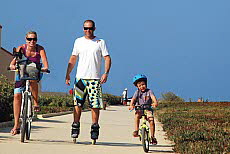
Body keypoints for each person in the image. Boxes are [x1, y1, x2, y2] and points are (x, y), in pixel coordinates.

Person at [65, 20, 111, 140]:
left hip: (94, 79)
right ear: (83, 29)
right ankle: (75, 126)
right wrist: (68, 73)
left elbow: (107, 58)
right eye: (86, 28)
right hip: (80, 78)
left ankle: (94, 128)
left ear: (94, 29)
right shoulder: (78, 41)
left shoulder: (100, 42)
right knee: (77, 104)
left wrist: (105, 73)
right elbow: (73, 58)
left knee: (95, 105)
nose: (88, 31)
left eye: (90, 28)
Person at [9, 31, 49, 135]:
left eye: (34, 39)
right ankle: (16, 124)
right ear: (26, 39)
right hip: (21, 73)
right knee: (17, 95)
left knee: (33, 80)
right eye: (29, 39)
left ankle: (35, 103)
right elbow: (14, 61)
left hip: (34, 72)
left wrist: (45, 68)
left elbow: (44, 61)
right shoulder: (21, 48)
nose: (32, 41)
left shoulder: (40, 49)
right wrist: (12, 66)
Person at [129, 74, 158, 145]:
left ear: (146, 84)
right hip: (139, 109)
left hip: (148, 109)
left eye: (143, 84)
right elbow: (133, 99)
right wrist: (131, 105)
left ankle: (152, 136)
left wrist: (155, 102)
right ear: (137, 87)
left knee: (151, 120)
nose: (142, 86)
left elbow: (153, 97)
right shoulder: (137, 92)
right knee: (137, 116)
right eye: (140, 85)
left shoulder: (149, 91)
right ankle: (136, 130)